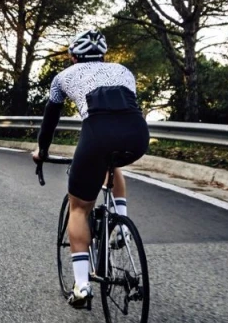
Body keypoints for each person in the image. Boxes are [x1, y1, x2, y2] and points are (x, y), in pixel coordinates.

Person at [32, 30, 150, 308]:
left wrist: (42, 152)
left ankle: (82, 285)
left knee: (79, 208)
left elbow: (50, 120)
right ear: (104, 55)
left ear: (73, 56)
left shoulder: (62, 78)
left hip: (97, 134)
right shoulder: (123, 70)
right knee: (113, 163)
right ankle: (121, 224)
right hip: (137, 135)